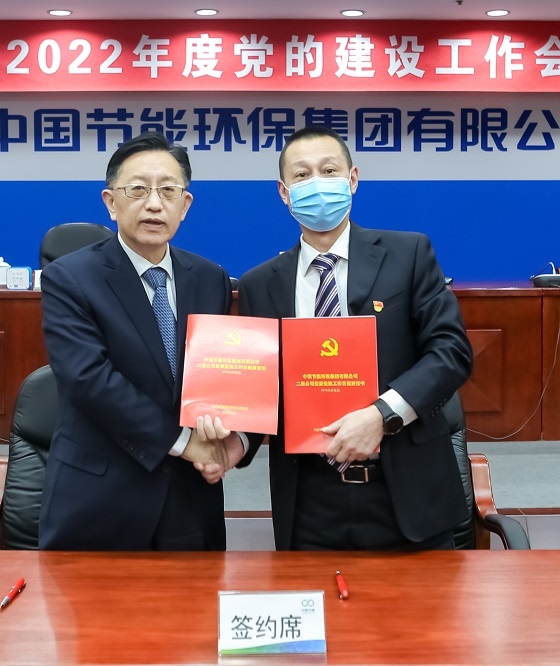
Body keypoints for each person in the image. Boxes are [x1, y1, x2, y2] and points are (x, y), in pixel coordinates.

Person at [201, 126, 473, 551]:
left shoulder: (408, 254)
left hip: (407, 490)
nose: (317, 184)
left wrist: (381, 416)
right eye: (302, 175)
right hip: (310, 500)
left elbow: (451, 352)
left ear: (352, 180)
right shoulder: (260, 284)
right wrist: (237, 442)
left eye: (328, 171)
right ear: (284, 192)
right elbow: (262, 389)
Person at [38, 131, 236, 551]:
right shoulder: (69, 277)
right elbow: (88, 378)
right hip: (101, 497)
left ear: (185, 205)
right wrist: (185, 443)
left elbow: (220, 374)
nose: (154, 203)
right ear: (111, 202)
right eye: (139, 189)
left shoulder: (210, 278)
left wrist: (232, 439)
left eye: (168, 190)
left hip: (190, 495)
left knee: (196, 594)